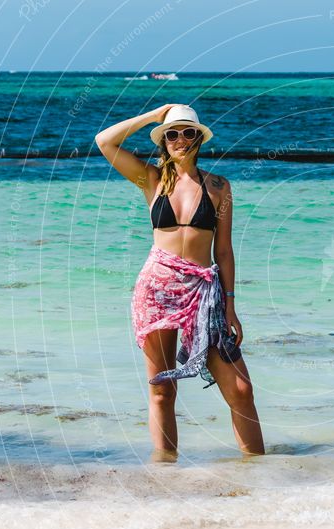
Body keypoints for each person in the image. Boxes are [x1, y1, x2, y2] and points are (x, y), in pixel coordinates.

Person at [95, 103, 265, 461]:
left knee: (240, 388)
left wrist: (231, 304)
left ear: (199, 138)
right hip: (156, 291)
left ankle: (261, 475)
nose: (180, 140)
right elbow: (104, 141)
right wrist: (153, 116)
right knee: (162, 391)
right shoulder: (151, 179)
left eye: (188, 132)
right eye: (172, 134)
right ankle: (165, 477)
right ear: (164, 140)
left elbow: (224, 251)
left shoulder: (219, 187)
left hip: (203, 294)